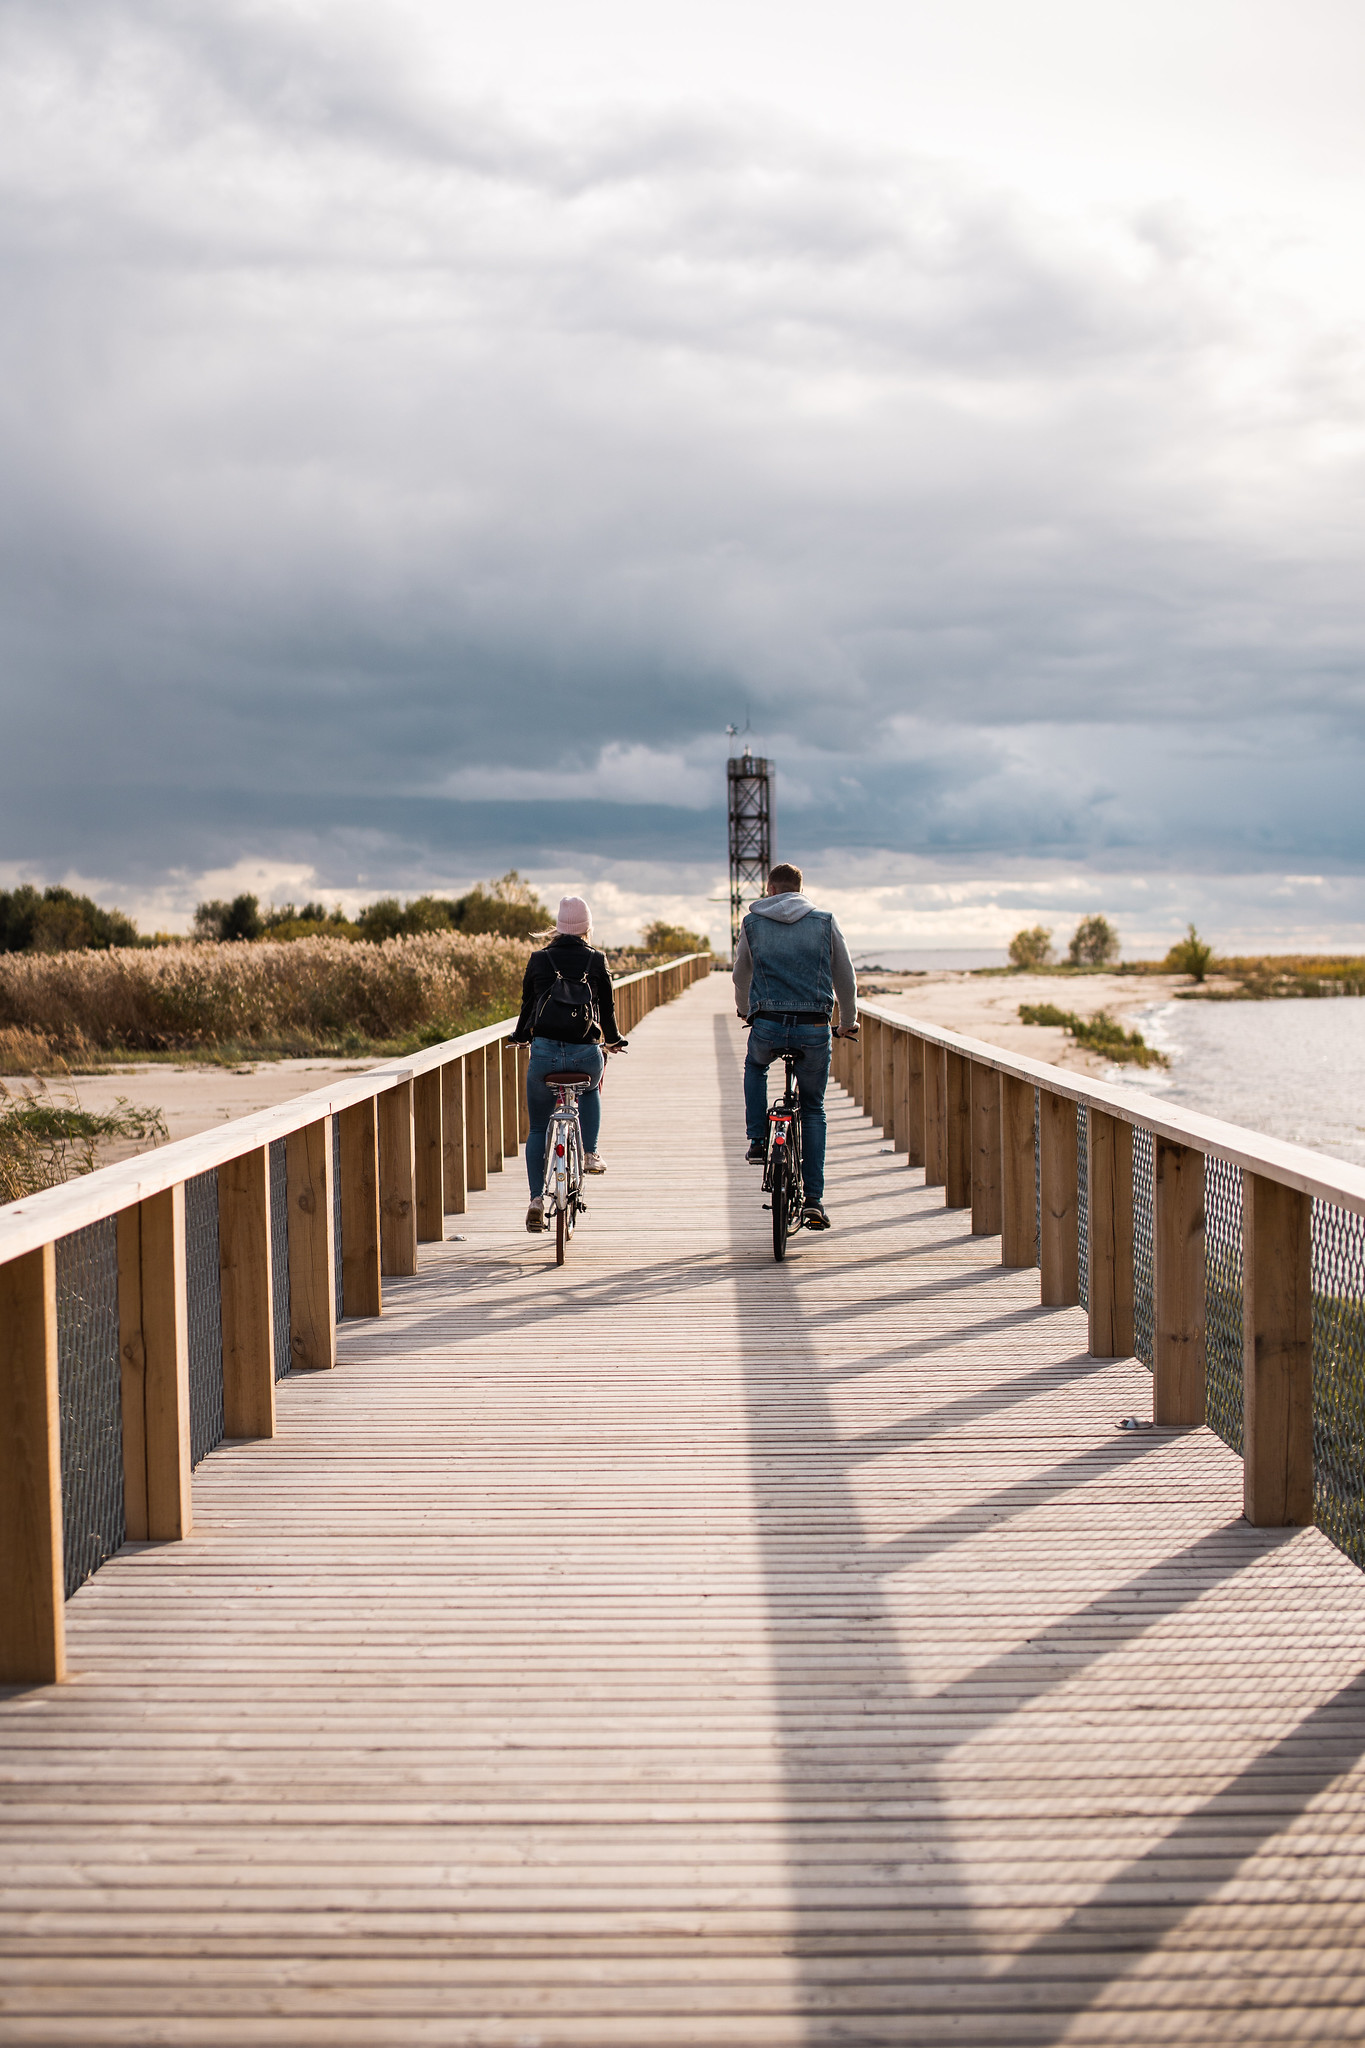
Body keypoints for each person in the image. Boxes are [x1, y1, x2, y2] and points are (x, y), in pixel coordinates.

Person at [732, 862, 859, 1231]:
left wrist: (745, 1010)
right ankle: (814, 1200)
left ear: (770, 889)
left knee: (756, 1066)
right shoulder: (824, 921)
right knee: (813, 1108)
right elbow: (845, 977)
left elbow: (741, 974)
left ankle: (758, 1138)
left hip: (768, 1024)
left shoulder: (752, 923)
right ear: (800, 890)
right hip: (814, 1027)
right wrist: (847, 1021)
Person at [509, 894, 627, 1233]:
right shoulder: (596, 959)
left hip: (544, 1054)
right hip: (584, 1053)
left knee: (537, 1128)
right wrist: (613, 1039)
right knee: (589, 1090)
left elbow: (528, 1005)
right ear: (587, 927)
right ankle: (590, 1154)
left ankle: (535, 1199)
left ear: (558, 927)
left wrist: (520, 1036)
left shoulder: (539, 959)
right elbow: (607, 1008)